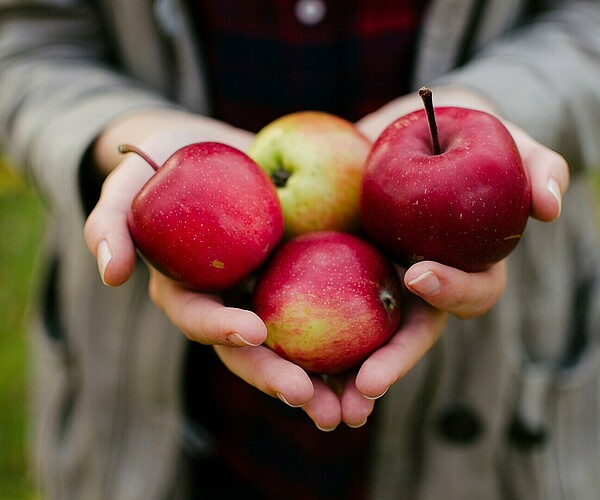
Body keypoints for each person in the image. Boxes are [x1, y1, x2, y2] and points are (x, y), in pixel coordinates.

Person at [0, 0, 598, 498]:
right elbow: (26, 42)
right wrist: (118, 130)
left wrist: (488, 101)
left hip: (498, 384)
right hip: (163, 394)